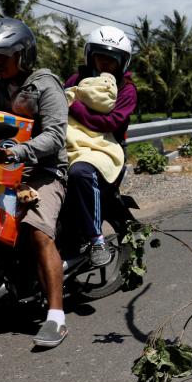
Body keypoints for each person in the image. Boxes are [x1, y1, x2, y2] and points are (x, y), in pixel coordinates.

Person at [0, 17, 70, 348]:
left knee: (37, 231)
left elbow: (56, 136)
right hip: (7, 170)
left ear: (23, 54)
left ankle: (56, 317)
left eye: (2, 55)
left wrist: (20, 151)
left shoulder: (45, 85)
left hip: (44, 171)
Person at [62, 26, 137, 268]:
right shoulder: (76, 80)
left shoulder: (126, 90)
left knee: (80, 173)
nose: (104, 64)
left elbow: (110, 122)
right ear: (90, 55)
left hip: (106, 149)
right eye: (100, 56)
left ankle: (96, 240)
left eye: (111, 60)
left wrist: (74, 106)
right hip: (70, 143)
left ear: (122, 63)